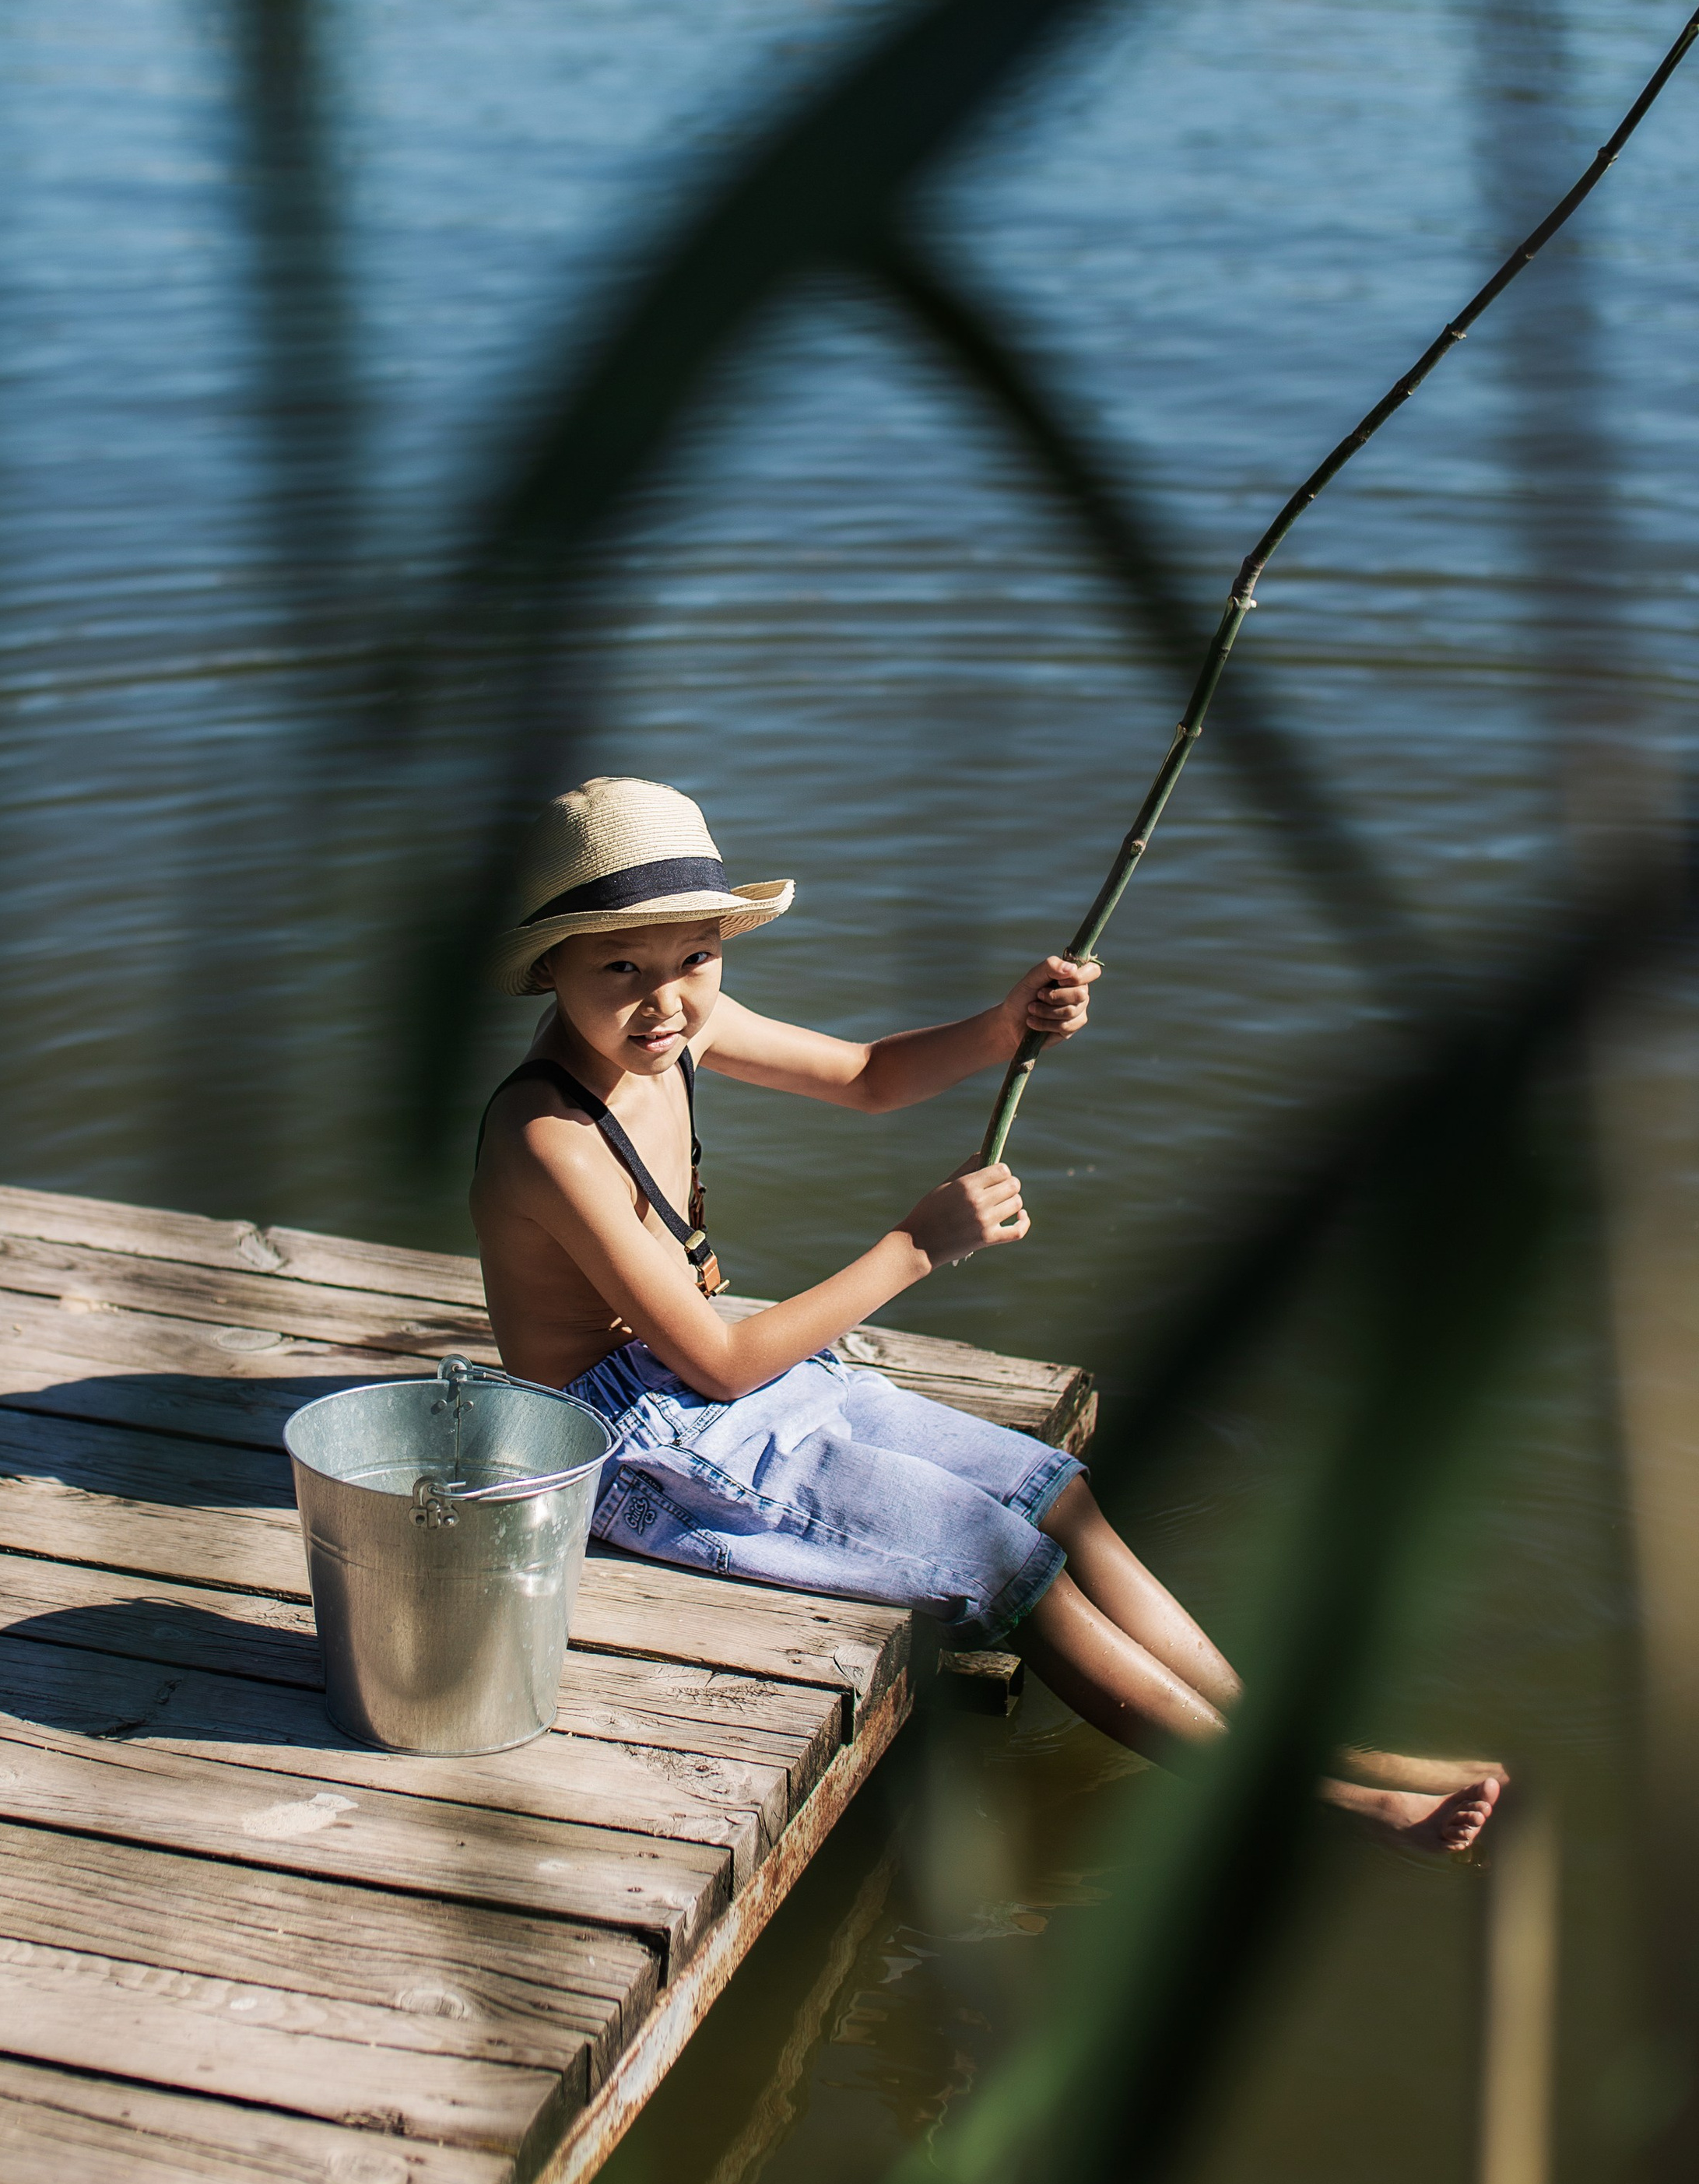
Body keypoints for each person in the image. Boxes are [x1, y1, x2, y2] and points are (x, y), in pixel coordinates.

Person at [471, 776, 1500, 1854]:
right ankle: (1302, 1805)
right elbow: (722, 1364)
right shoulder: (549, 1135)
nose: (667, 999)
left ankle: (1302, 1747)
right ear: (553, 965)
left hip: (723, 1382)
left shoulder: (682, 1028)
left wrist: (1005, 1023)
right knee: (1005, 1566)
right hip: (631, 1448)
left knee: (1060, 1500)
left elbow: (867, 1076)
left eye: (693, 958)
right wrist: (915, 1246)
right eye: (621, 966)